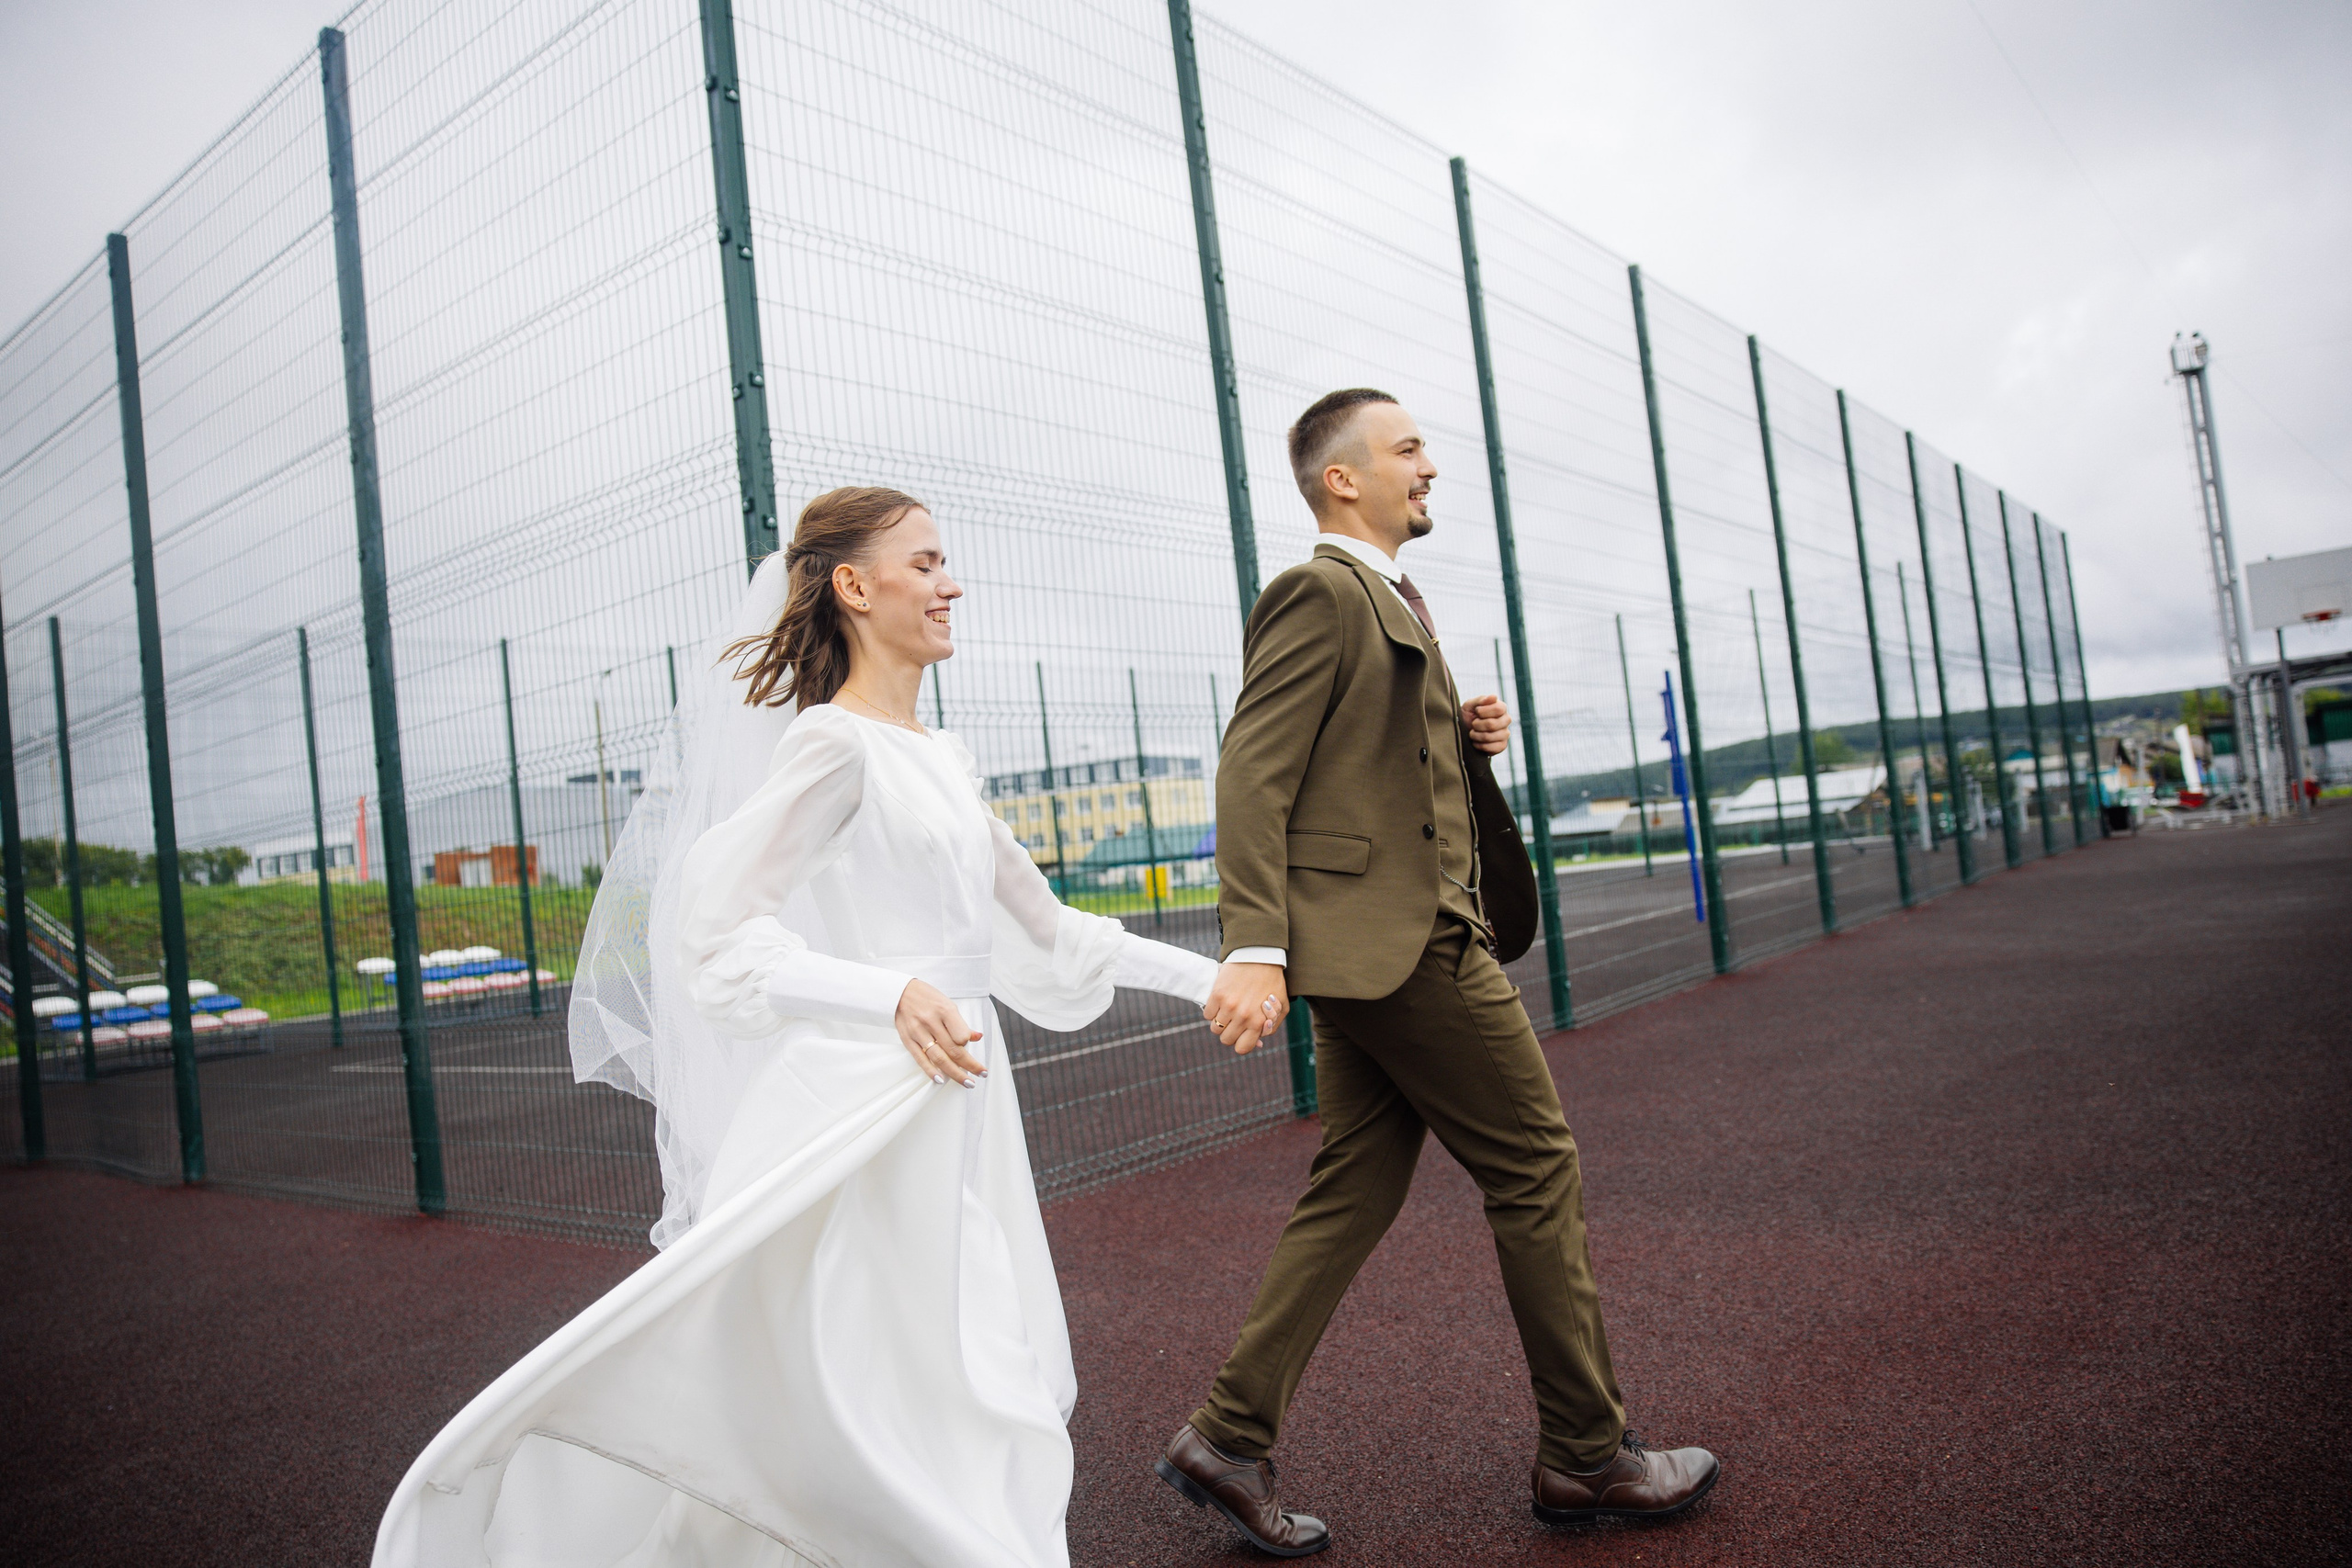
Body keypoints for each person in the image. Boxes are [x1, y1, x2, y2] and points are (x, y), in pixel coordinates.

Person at [371, 487, 1238, 1568]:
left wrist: (1213, 980)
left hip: (963, 1100)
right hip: (870, 1106)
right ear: (854, 586)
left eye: (945, 563)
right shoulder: (834, 747)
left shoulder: (941, 758)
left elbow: (1052, 933)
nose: (951, 584)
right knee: (909, 1374)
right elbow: (716, 938)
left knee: (956, 1365)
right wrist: (885, 994)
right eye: (925, 563)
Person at [1154, 390, 1720, 1556]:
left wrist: (1458, 734)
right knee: (1534, 1166)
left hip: (1383, 938)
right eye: (1408, 449)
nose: (1430, 467)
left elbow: (1361, 763)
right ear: (1342, 478)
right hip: (1408, 940)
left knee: (1356, 1183)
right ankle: (1587, 1455)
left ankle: (1228, 1436)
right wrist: (1253, 944)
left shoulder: (1385, 595)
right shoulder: (1319, 589)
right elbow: (1253, 769)